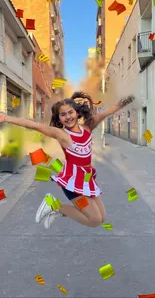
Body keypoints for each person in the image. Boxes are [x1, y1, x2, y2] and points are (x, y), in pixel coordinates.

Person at [0, 94, 135, 229]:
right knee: (94, 220)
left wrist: (129, 97)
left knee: (102, 217)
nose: (68, 117)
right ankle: (53, 204)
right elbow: (33, 125)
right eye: (63, 114)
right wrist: (6, 118)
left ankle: (56, 210)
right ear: (59, 118)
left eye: (70, 112)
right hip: (73, 183)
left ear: (77, 113)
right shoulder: (61, 134)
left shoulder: (88, 127)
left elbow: (108, 111)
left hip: (87, 180)